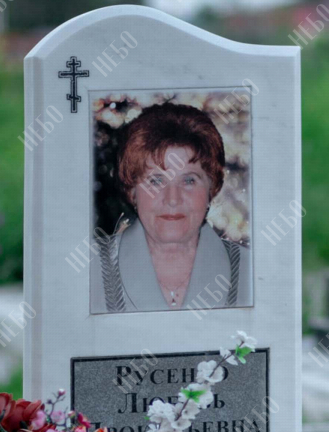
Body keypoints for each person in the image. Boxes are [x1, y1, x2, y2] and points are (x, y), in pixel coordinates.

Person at [91, 102, 252, 313]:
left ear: (211, 187)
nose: (173, 199)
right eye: (156, 181)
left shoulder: (251, 272)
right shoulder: (89, 270)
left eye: (189, 180)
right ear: (132, 191)